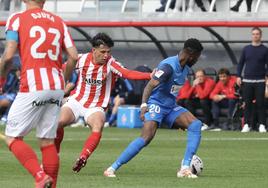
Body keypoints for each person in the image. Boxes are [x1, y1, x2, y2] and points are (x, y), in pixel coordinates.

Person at [0, 0, 78, 187]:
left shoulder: (17, 19)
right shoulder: (59, 21)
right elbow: (73, 56)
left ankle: (39, 176)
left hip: (33, 85)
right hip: (56, 86)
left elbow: (9, 56)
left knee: (12, 137)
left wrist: (1, 82)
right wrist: (65, 80)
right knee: (47, 141)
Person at [104, 38, 204, 178]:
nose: (197, 61)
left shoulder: (186, 68)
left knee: (195, 124)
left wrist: (177, 120)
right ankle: (112, 168)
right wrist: (144, 105)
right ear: (191, 55)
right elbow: (150, 85)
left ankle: (185, 168)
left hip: (170, 107)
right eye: (197, 57)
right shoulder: (168, 67)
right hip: (155, 104)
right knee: (147, 137)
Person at [54, 32, 152, 173]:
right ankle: (54, 155)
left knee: (98, 126)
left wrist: (149, 75)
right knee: (58, 123)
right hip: (77, 100)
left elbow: (128, 73)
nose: (106, 55)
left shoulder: (111, 63)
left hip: (96, 106)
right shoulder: (81, 59)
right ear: (93, 50)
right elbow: (61, 68)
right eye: (103, 52)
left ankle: (83, 157)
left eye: (108, 52)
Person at [237, 27, 268, 133]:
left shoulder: (265, 49)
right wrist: (238, 76)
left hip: (260, 81)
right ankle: (246, 124)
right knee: (247, 103)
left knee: (261, 104)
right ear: (251, 35)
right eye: (254, 34)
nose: (255, 36)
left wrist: (267, 77)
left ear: (260, 35)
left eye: (257, 34)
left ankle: (262, 125)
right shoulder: (246, 49)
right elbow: (241, 63)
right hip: (247, 81)